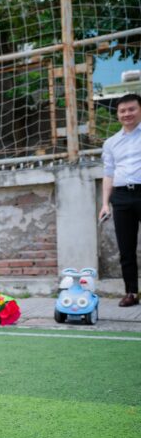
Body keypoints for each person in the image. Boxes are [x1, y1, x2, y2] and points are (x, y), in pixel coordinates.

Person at [99, 93, 141, 307]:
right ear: (117, 114)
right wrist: (105, 203)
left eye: (131, 109)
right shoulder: (111, 143)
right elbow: (109, 174)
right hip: (122, 196)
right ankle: (131, 292)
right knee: (126, 248)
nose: (127, 114)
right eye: (122, 111)